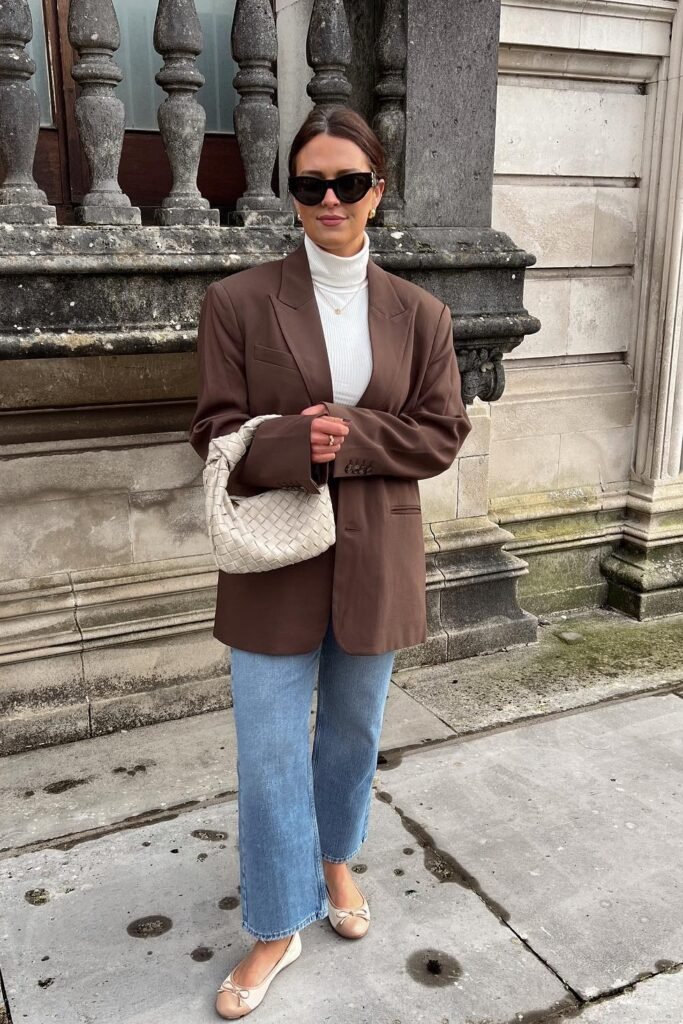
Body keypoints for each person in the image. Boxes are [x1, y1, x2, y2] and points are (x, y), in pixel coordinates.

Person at [188, 106, 472, 1019]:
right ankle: (277, 922)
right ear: (293, 196)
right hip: (273, 563)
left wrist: (341, 438)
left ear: (376, 191)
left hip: (378, 558)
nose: (330, 199)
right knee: (269, 752)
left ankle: (334, 861)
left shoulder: (419, 313)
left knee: (349, 738)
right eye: (311, 184)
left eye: (348, 182)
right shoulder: (237, 302)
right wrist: (288, 446)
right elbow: (212, 433)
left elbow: (440, 432)